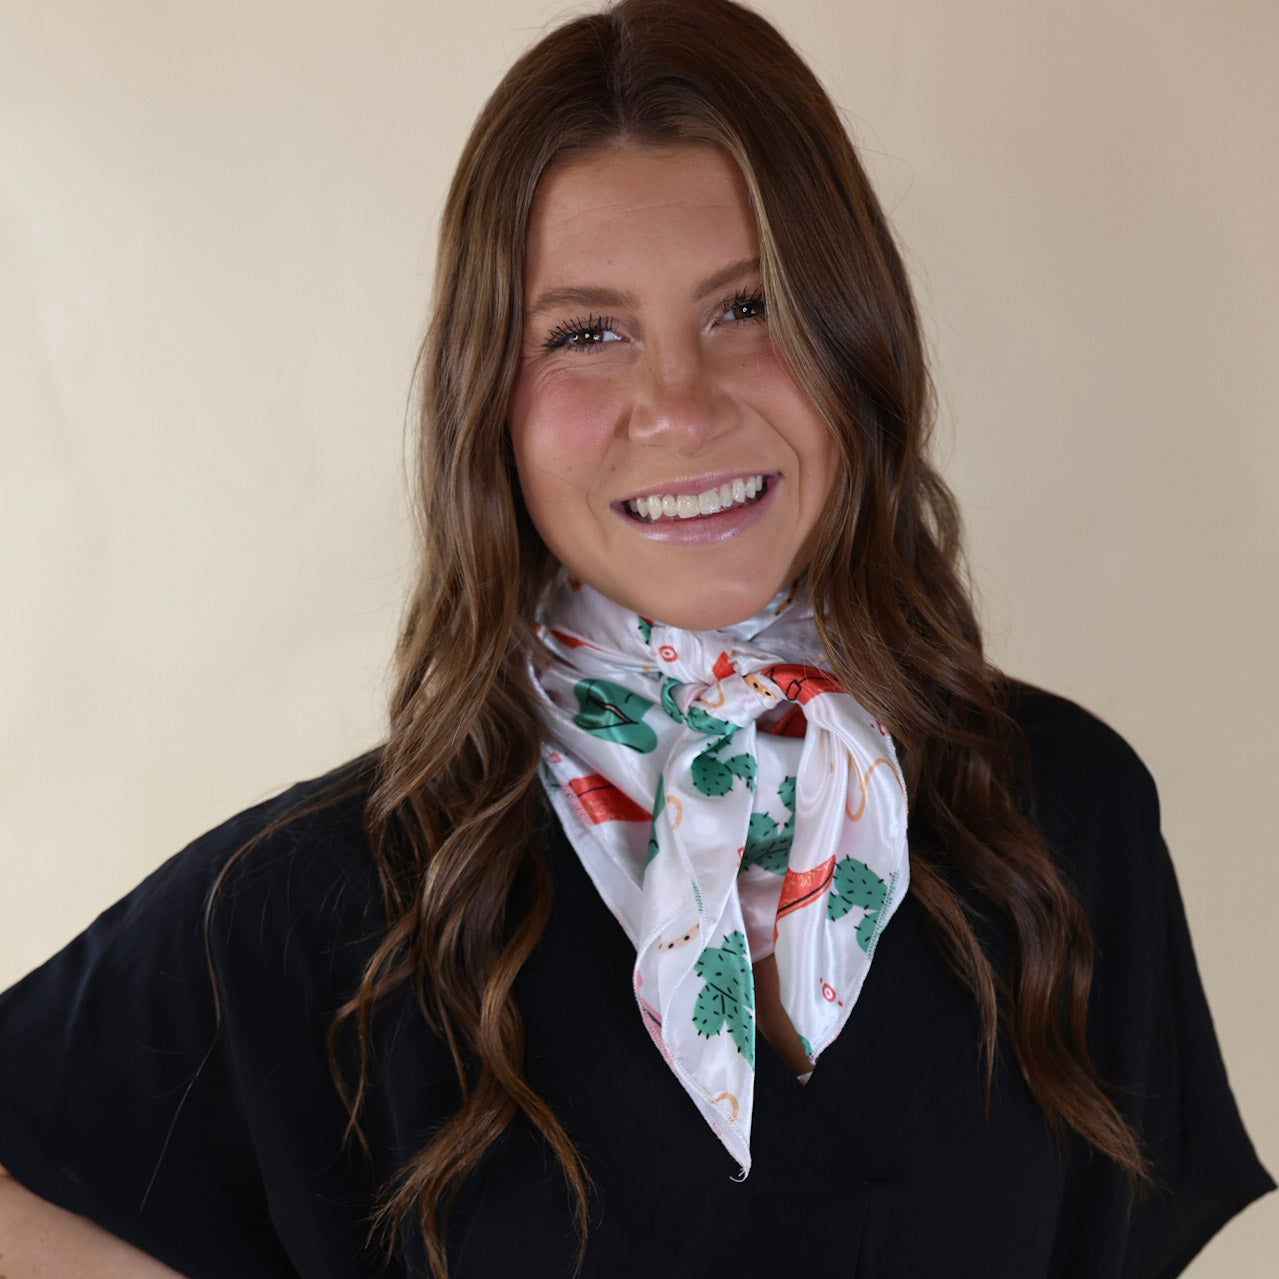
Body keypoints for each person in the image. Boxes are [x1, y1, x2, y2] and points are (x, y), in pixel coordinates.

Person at [0, 0, 1271, 1275]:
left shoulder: (1061, 819)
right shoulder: (325, 911)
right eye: (586, 333)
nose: (676, 405)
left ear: (855, 340)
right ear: (487, 402)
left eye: (747, 306)